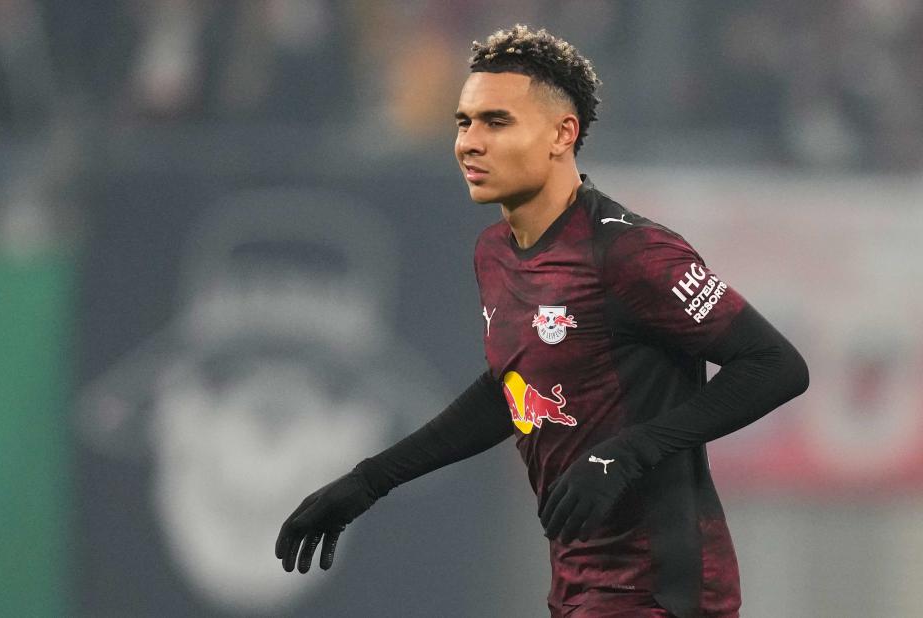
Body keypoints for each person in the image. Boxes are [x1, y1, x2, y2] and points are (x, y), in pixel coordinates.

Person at [275, 24, 808, 618]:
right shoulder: (493, 253)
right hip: (578, 584)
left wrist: (628, 452)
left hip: (662, 588)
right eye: (464, 123)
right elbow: (514, 391)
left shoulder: (629, 251)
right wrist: (370, 480)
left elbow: (775, 365)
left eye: (497, 122)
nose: (470, 143)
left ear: (562, 134)